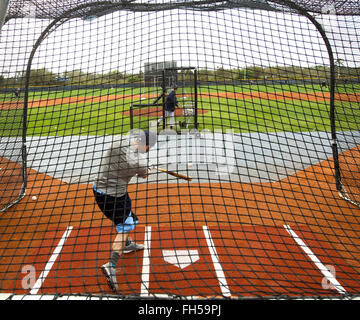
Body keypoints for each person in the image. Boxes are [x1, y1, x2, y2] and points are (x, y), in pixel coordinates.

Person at [93, 130, 157, 293]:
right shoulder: (140, 163)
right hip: (113, 196)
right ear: (147, 145)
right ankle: (111, 265)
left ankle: (127, 245)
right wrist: (148, 169)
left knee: (126, 213)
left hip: (101, 190)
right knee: (126, 226)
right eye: (149, 147)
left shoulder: (119, 142)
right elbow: (144, 175)